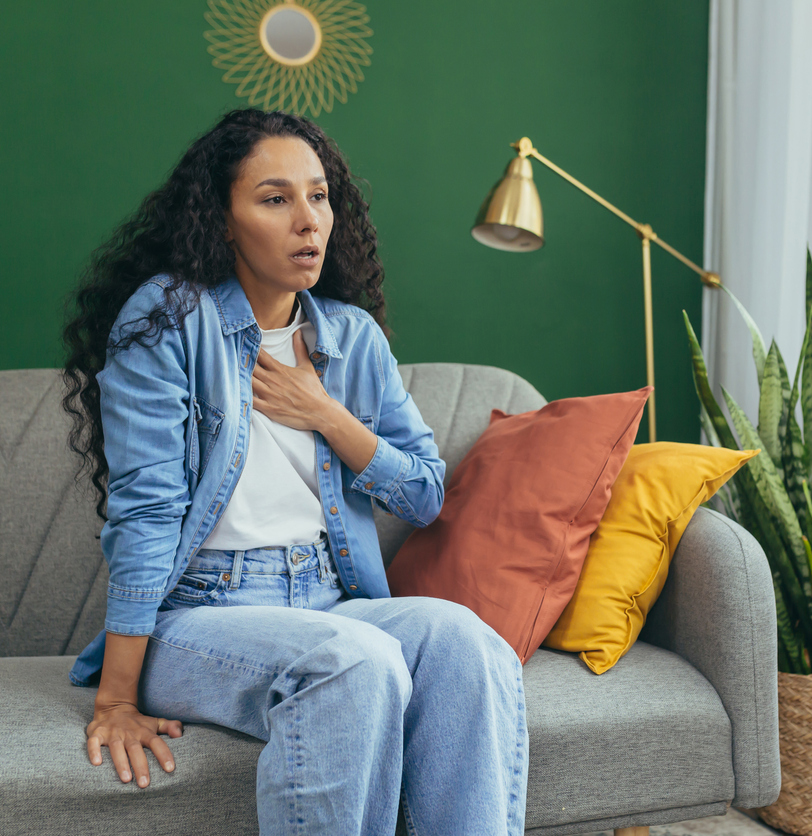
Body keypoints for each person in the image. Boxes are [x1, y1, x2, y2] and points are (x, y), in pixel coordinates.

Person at [60, 108, 528, 836]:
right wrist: (116, 700)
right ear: (222, 221)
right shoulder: (168, 320)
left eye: (318, 196)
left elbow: (426, 491)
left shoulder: (351, 335)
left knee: (465, 640)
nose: (308, 220)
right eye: (275, 199)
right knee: (357, 658)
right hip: (199, 615)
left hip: (326, 597)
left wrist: (328, 416)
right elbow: (147, 510)